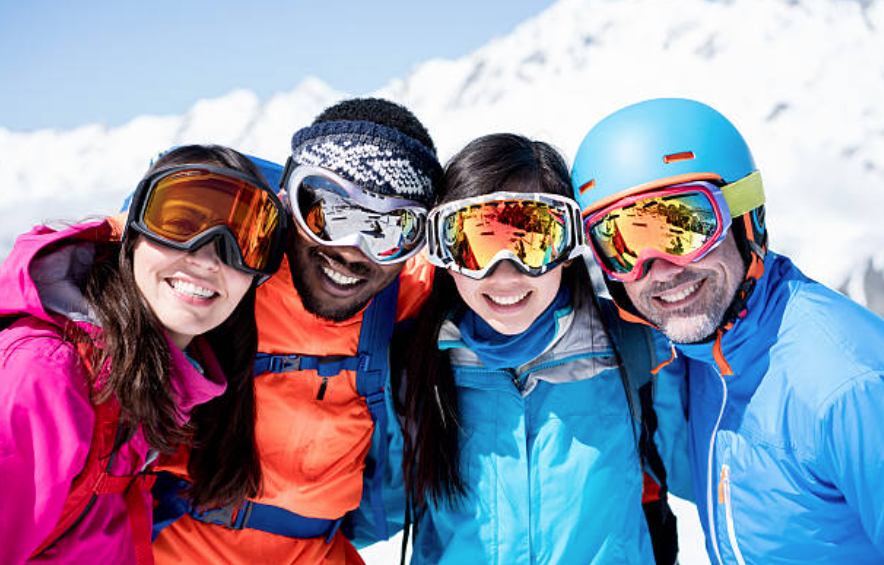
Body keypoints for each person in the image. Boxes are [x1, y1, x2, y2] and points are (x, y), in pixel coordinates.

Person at [571, 98, 884, 564]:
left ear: (745, 218)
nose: (660, 269)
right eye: (623, 244)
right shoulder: (698, 357)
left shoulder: (849, 385)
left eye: (685, 226)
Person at [150, 98, 442, 564]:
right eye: (328, 212)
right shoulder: (226, 267)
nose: (352, 250)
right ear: (288, 200)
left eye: (389, 230)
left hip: (319, 551)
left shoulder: (405, 299)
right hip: (173, 545)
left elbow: (510, 289)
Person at [0, 144, 287, 564]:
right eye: (179, 225)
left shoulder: (169, 395)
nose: (207, 258)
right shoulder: (48, 375)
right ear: (132, 235)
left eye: (242, 242)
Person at [387, 133, 658, 564]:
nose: (505, 274)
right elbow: (358, 509)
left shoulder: (635, 347)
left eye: (532, 241)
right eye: (476, 245)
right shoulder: (413, 368)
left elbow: (714, 470)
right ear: (443, 257)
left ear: (568, 249)